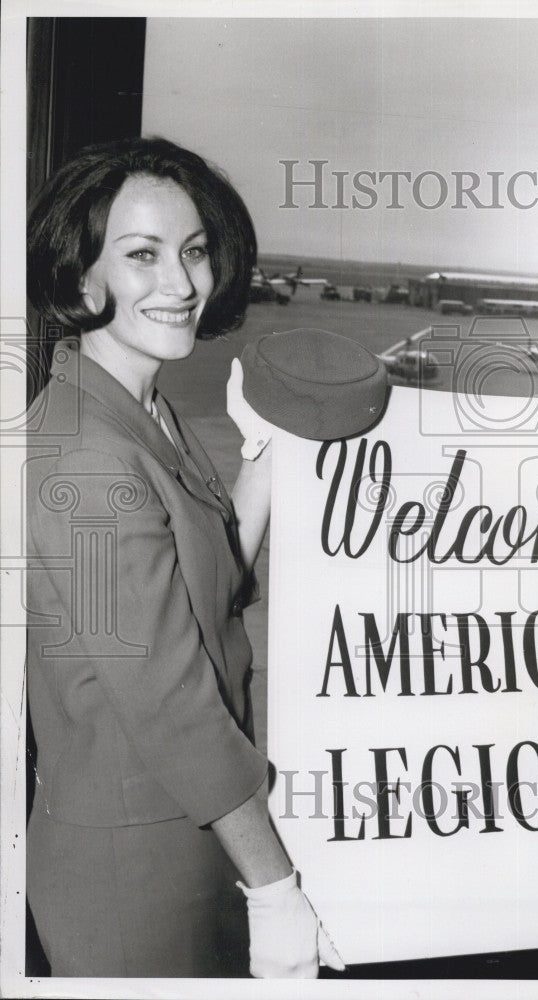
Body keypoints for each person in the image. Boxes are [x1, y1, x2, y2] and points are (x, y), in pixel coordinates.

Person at [25, 136, 345, 978]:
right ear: (81, 276)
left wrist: (263, 456)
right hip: (133, 867)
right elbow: (171, 701)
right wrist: (277, 888)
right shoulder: (84, 459)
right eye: (142, 256)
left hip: (195, 828)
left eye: (195, 252)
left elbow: (212, 588)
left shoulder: (142, 413)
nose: (180, 283)